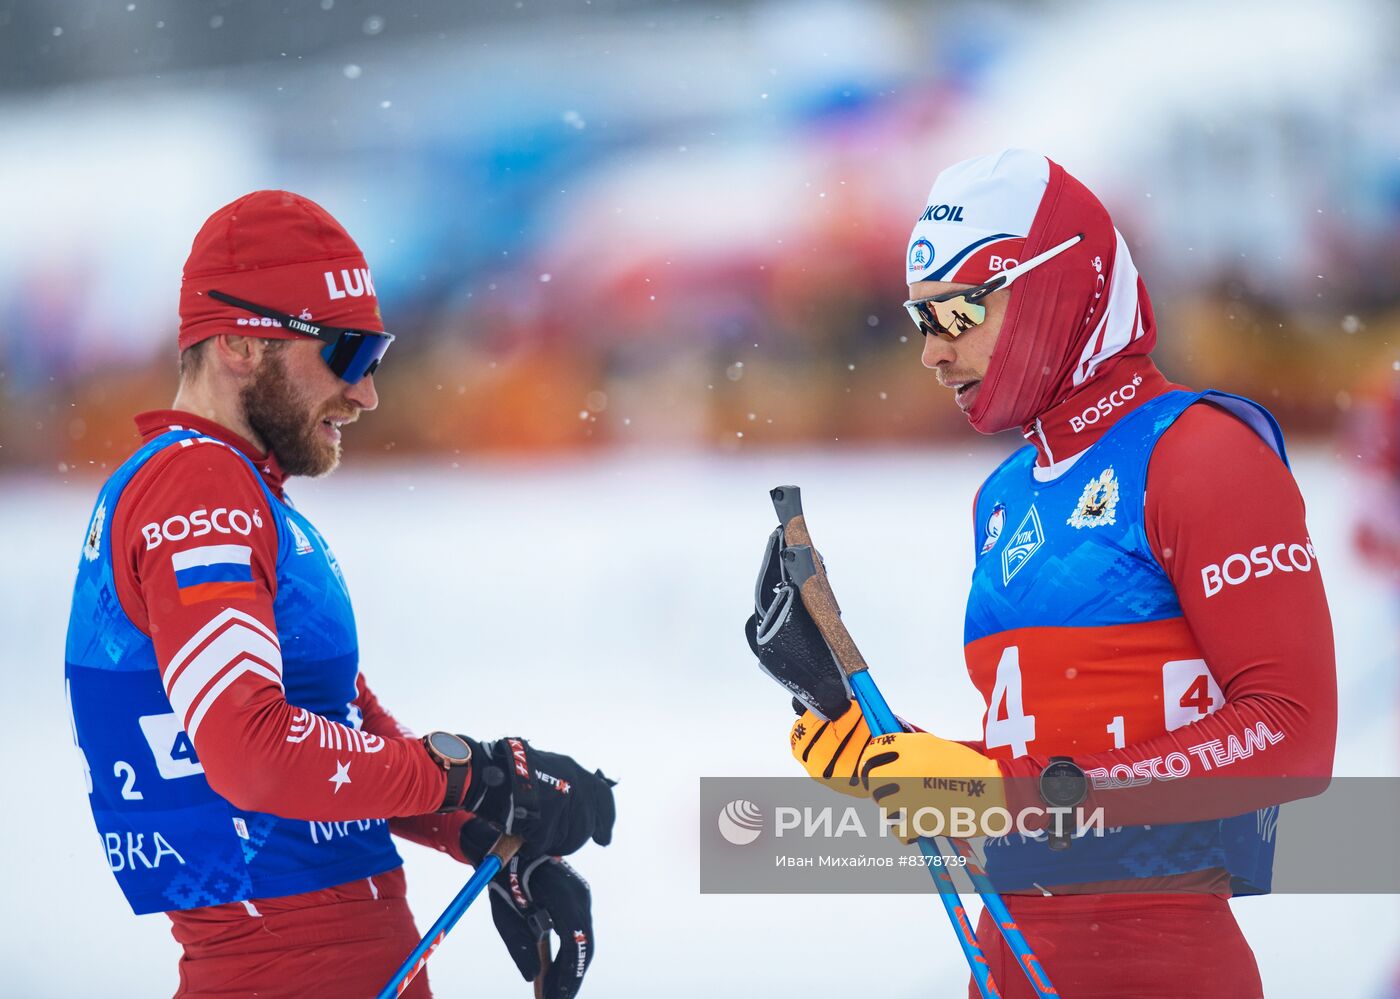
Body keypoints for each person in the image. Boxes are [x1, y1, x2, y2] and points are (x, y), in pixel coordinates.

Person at [758, 150, 1337, 997]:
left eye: (956, 312)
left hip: (1161, 960)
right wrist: (910, 761)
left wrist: (1009, 794)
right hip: (1008, 959)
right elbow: (1035, 778)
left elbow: (1290, 738)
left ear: (1054, 287)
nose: (930, 351)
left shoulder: (1202, 453)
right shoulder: (1002, 497)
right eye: (919, 319)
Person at [63, 191, 614, 999]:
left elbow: (336, 734)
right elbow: (256, 753)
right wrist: (465, 776)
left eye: (376, 357)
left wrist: (486, 827)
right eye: (349, 353)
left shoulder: (233, 492)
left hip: (327, 958)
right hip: (285, 966)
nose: (367, 392)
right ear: (244, 342)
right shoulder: (197, 489)